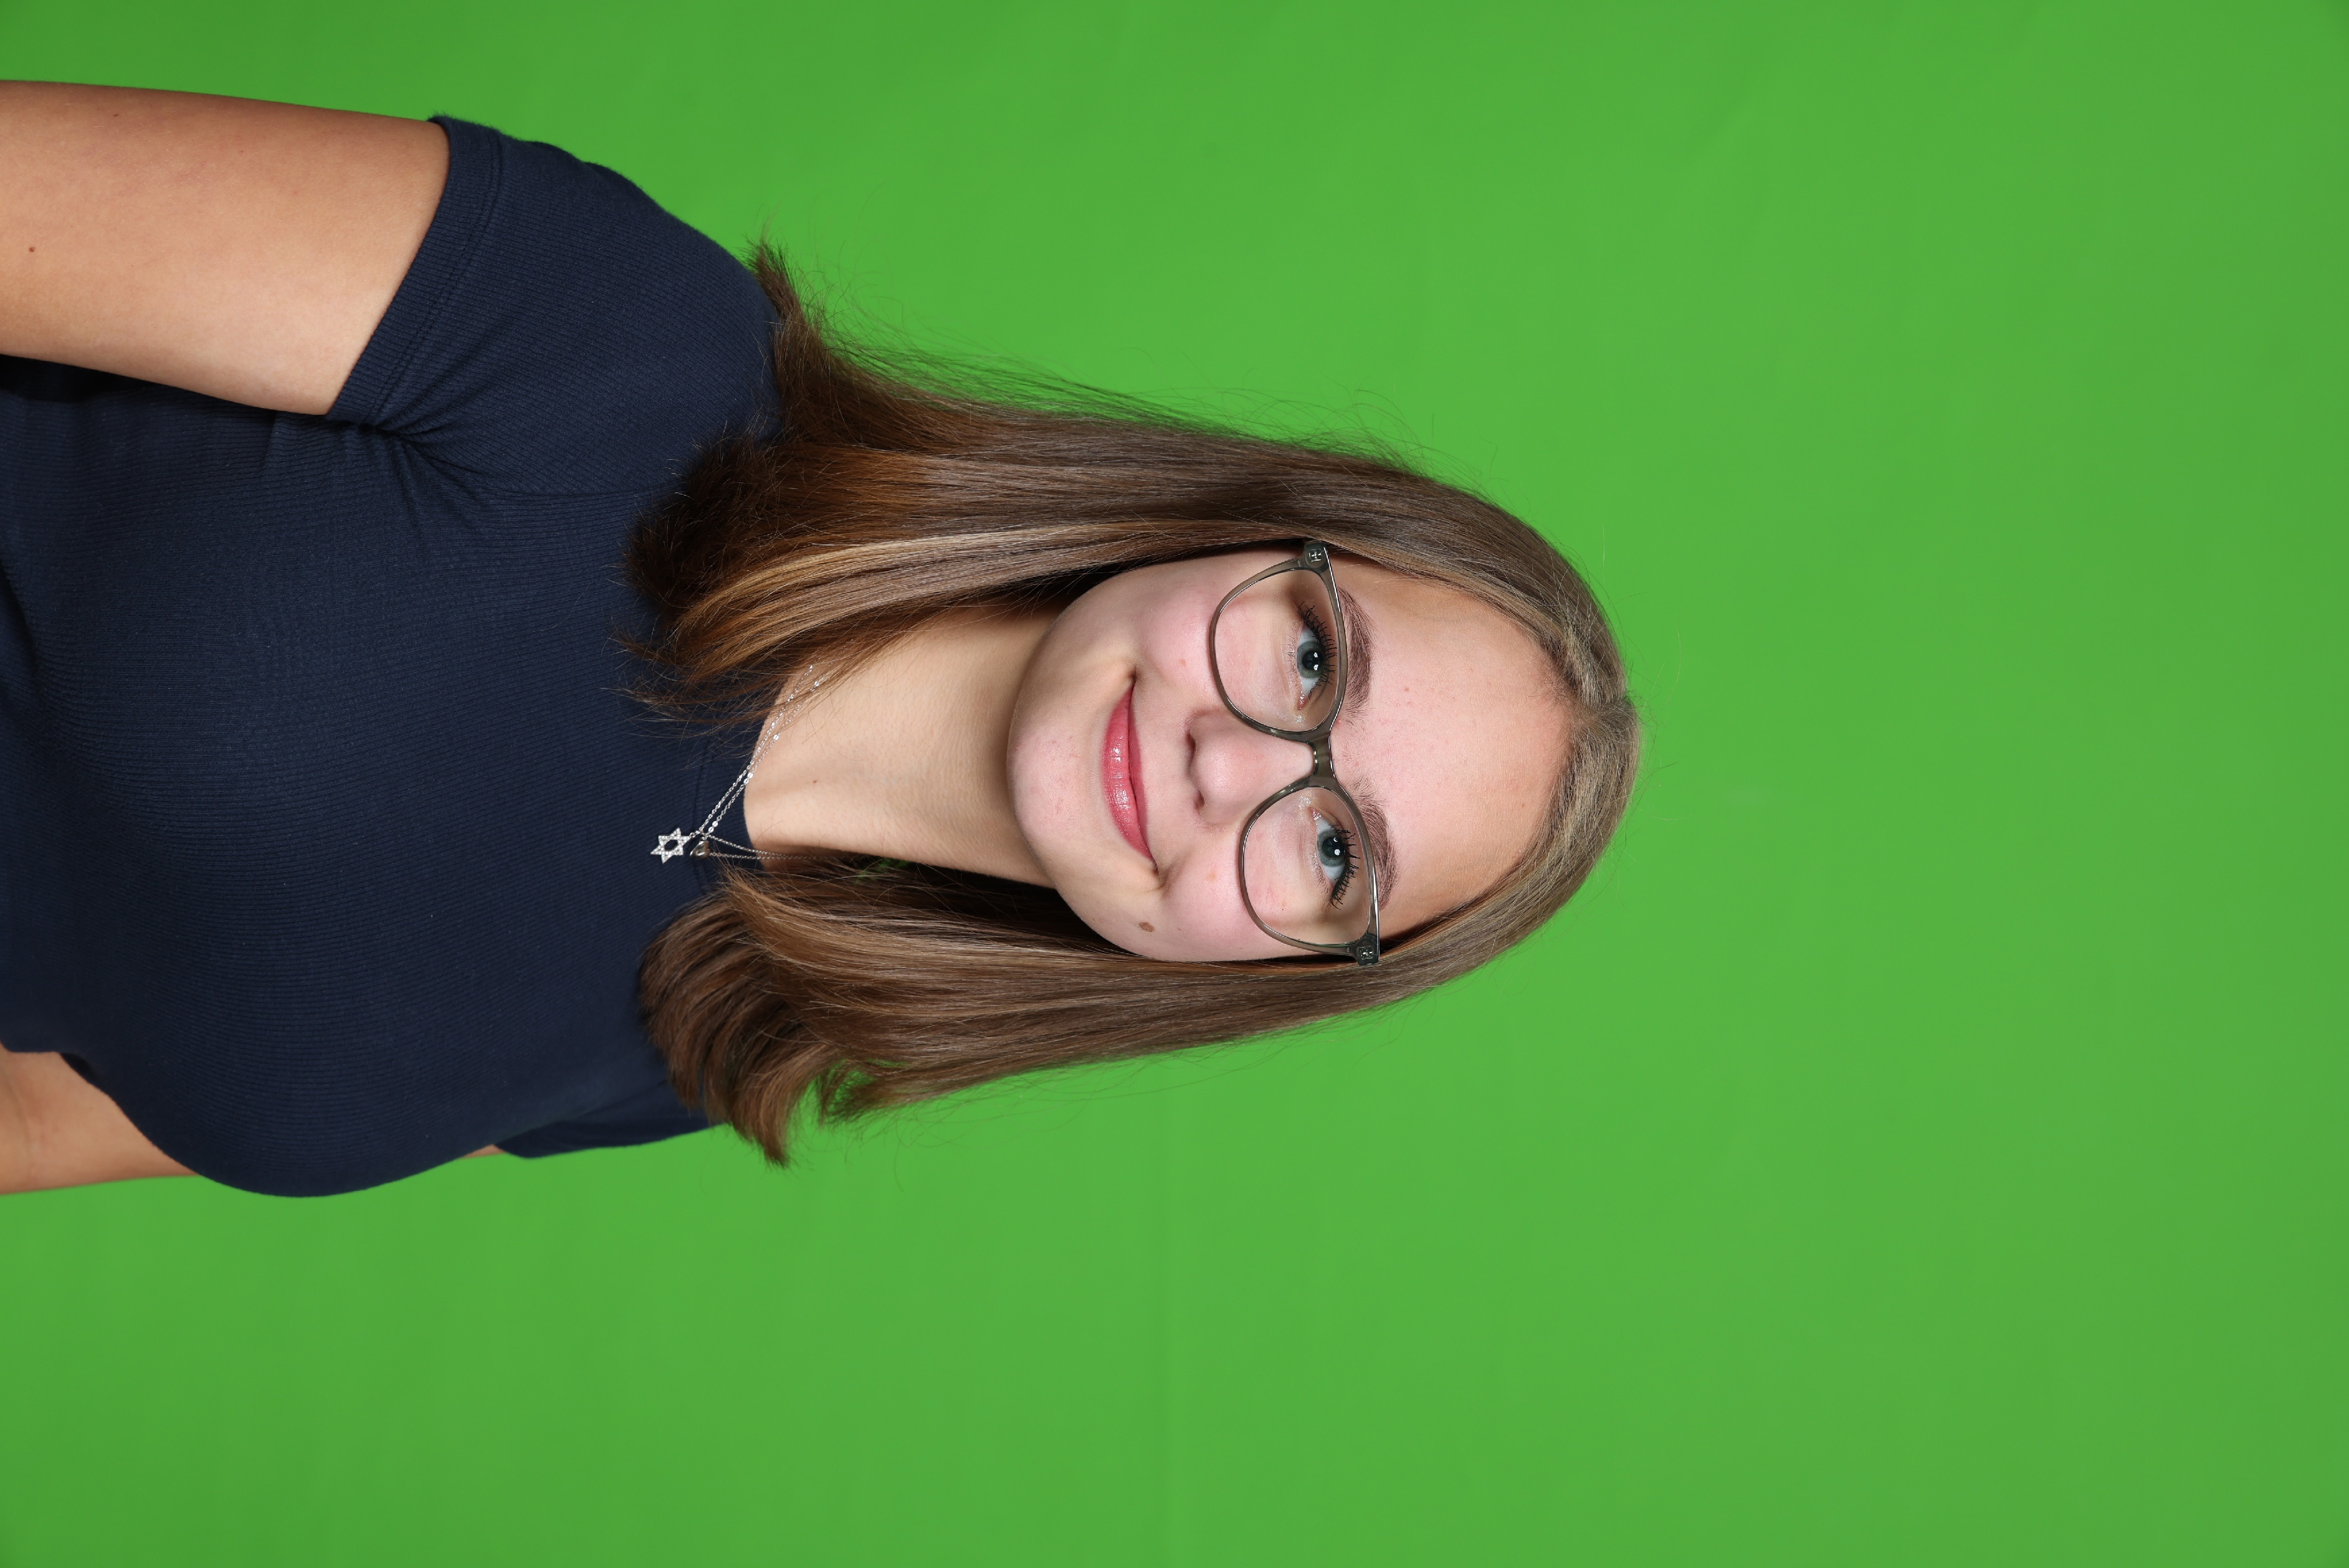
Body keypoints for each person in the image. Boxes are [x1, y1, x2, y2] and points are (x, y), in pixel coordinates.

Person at [0, 83, 1638, 1197]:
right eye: (1314, 664)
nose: (1239, 765)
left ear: (1267, 973)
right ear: (1249, 533)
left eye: (1337, 853)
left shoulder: (701, 1043)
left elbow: (32, 1114)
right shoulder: (613, 339)